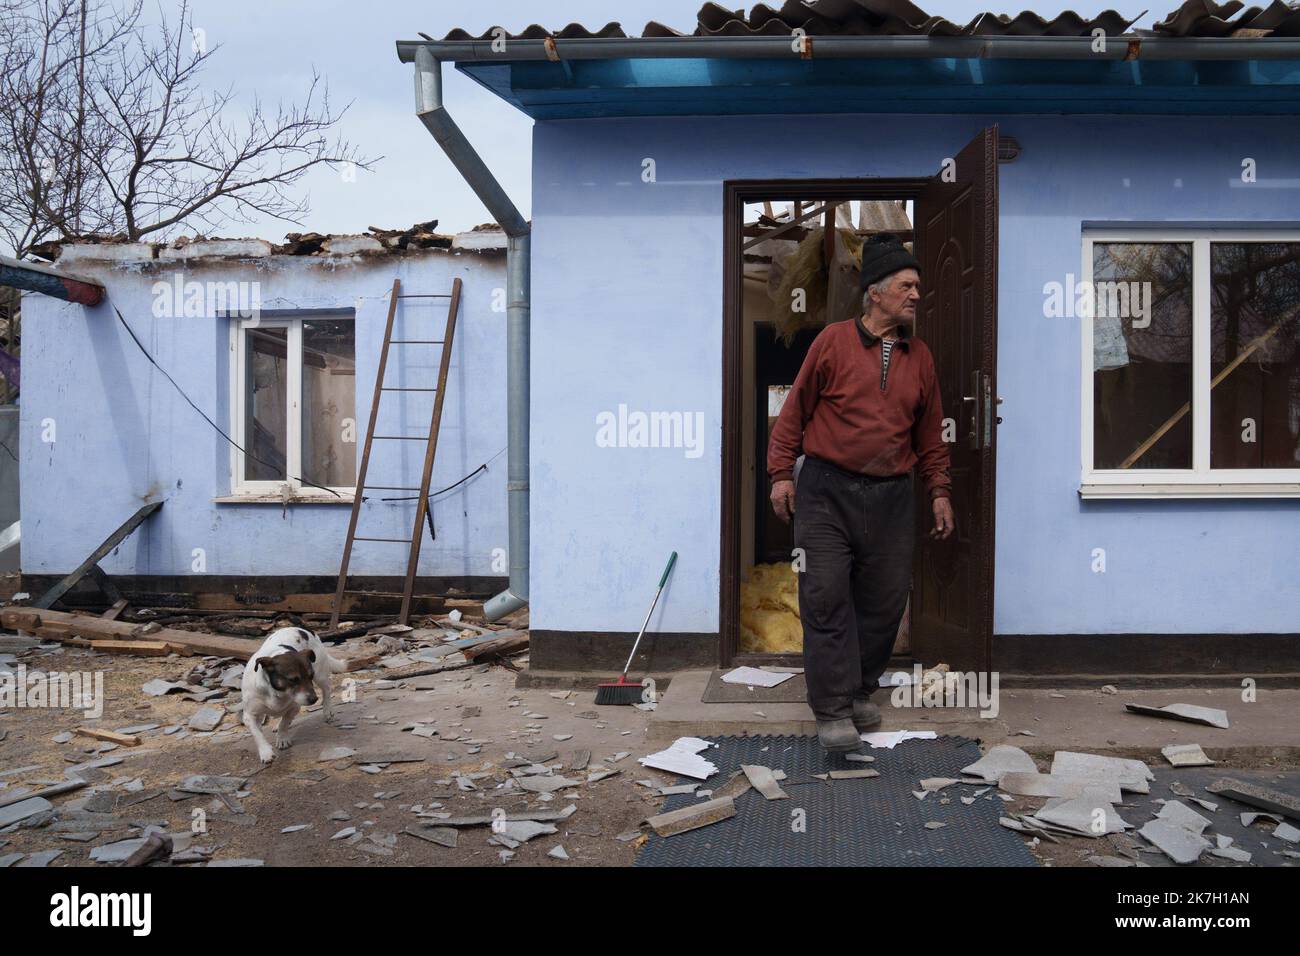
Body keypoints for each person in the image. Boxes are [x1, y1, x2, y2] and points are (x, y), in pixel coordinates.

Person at [767, 233, 955, 752]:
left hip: (893, 496)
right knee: (825, 595)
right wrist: (781, 474)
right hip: (826, 491)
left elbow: (931, 432)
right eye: (907, 286)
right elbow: (794, 411)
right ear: (876, 292)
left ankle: (858, 691)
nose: (917, 295)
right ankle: (830, 709)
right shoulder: (831, 341)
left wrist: (939, 489)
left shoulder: (920, 358)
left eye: (918, 286)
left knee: (883, 602)